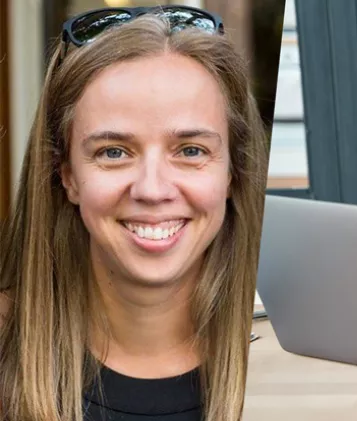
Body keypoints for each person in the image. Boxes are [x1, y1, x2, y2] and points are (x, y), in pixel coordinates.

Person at [0, 6, 270, 421]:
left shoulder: (288, 357)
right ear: (67, 175)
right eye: (113, 152)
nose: (152, 190)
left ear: (233, 172)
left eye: (191, 150)